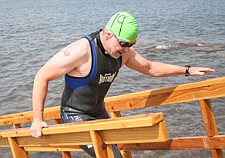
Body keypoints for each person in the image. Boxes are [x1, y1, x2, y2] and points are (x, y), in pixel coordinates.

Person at [30, 11, 215, 157]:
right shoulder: (81, 51)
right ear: (108, 34)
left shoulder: (123, 53)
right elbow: (42, 76)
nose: (127, 50)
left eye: (132, 45)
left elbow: (150, 68)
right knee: (112, 155)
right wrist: (37, 120)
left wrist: (187, 70)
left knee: (120, 146)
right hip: (75, 115)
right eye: (124, 44)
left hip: (99, 112)